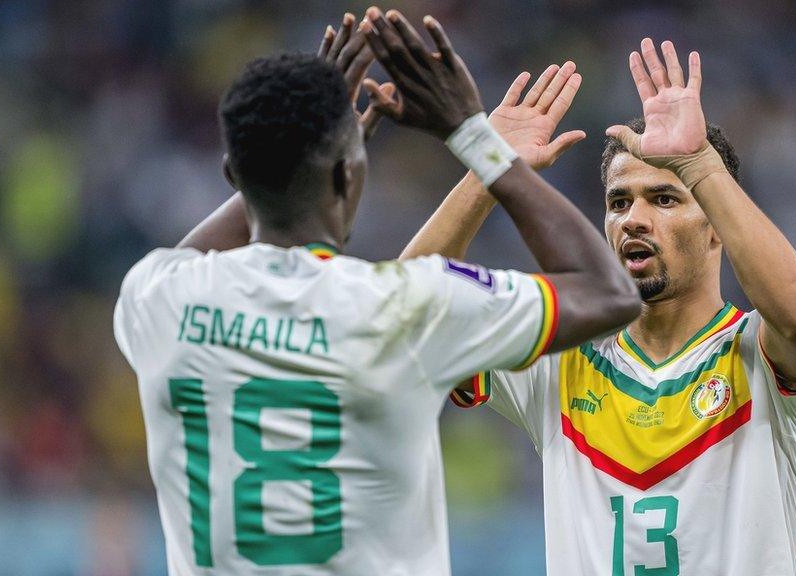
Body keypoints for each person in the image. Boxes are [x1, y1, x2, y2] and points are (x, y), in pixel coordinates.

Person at [112, 9, 639, 575]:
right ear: (348, 178)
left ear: (233, 176)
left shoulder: (158, 298)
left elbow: (206, 237)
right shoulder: (407, 305)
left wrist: (294, 148)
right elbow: (609, 295)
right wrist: (475, 138)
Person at [403, 38, 796, 576]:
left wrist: (699, 161)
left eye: (665, 198)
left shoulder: (756, 355)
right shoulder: (560, 359)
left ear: (717, 228)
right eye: (618, 202)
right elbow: (408, 310)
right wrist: (486, 168)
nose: (632, 218)